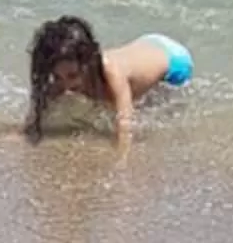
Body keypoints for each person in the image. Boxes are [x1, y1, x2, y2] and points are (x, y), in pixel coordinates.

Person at [25, 14, 193, 146]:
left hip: (174, 61)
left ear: (88, 63)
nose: (66, 85)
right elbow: (38, 110)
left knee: (148, 108)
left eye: (72, 76)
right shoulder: (65, 78)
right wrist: (28, 131)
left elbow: (125, 123)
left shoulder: (112, 72)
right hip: (147, 44)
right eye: (58, 77)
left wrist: (121, 163)